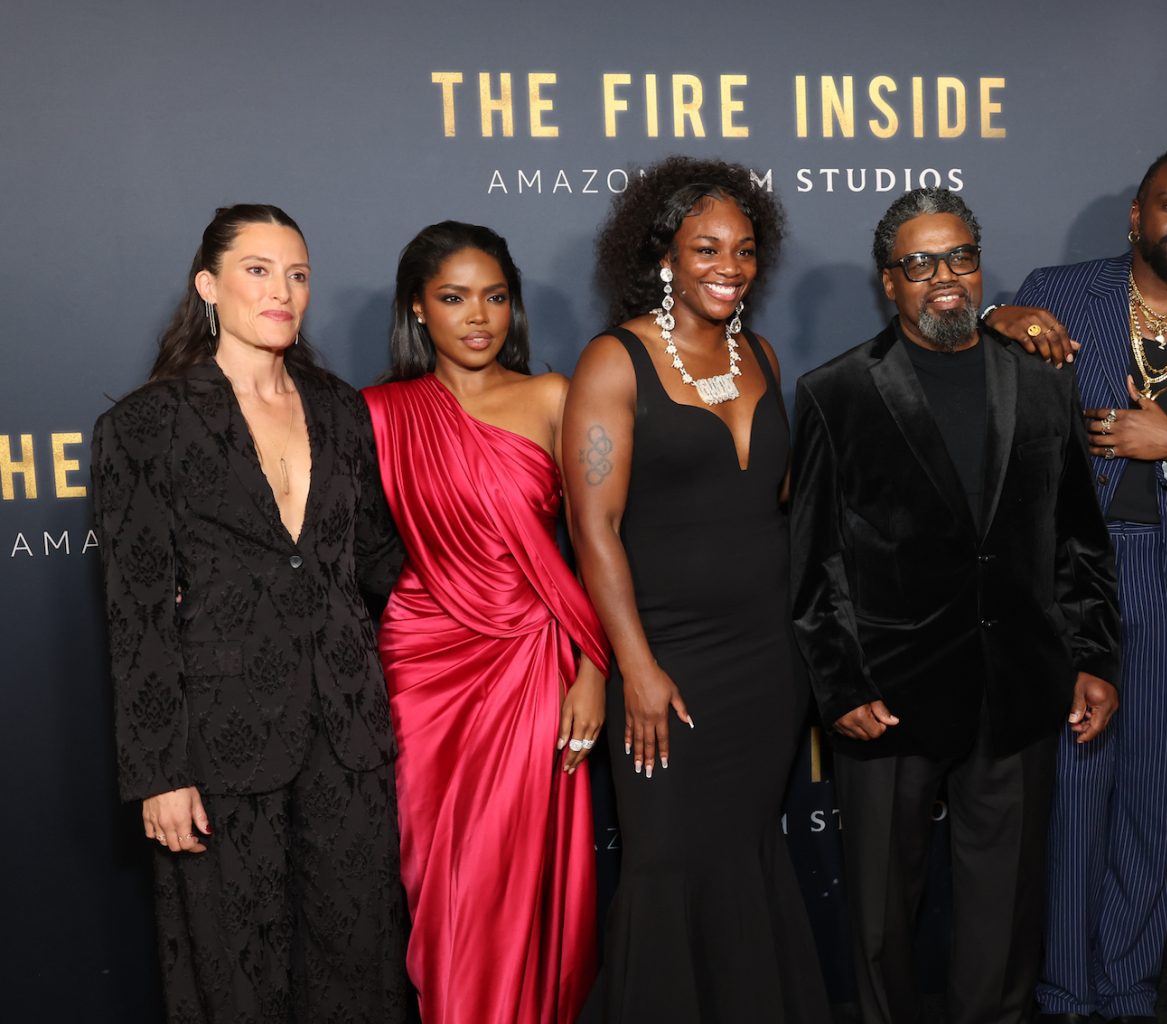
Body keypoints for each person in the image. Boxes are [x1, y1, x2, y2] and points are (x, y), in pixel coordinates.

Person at [788, 186, 1122, 1024]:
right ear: (888, 282)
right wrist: (841, 689)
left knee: (1004, 920)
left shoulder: (1042, 380)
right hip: (889, 697)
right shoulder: (838, 393)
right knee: (879, 924)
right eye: (919, 262)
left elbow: (1079, 536)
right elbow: (814, 564)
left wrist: (1092, 656)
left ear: (980, 266)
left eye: (960, 257)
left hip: (1018, 688)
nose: (944, 277)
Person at [91, 204, 411, 1022]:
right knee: (232, 975)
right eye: (259, 270)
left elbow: (377, 560)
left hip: (347, 734)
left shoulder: (343, 410)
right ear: (210, 286)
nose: (283, 291)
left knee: (357, 961)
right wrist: (161, 772)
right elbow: (136, 616)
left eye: (297, 274)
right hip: (219, 740)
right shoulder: (146, 425)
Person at [990, 143, 1167, 1024]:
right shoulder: (1061, 291)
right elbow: (985, 396)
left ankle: (1126, 989)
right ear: (1137, 216)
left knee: (1148, 790)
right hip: (1067, 572)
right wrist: (997, 320)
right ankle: (1065, 989)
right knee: (1077, 781)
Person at [563, 156, 831, 1023]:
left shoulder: (762, 353)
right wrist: (634, 666)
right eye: (706, 247)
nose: (729, 264)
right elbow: (594, 530)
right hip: (670, 658)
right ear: (664, 256)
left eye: (745, 249)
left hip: (769, 660)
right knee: (666, 863)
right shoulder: (615, 359)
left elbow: (780, 507)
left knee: (748, 853)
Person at [362, 222, 610, 1024]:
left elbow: (598, 546)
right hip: (421, 671)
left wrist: (594, 670)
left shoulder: (552, 398)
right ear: (417, 310)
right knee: (441, 890)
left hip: (534, 669)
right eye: (454, 298)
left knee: (510, 887)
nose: (479, 317)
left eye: (496, 297)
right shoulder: (377, 414)